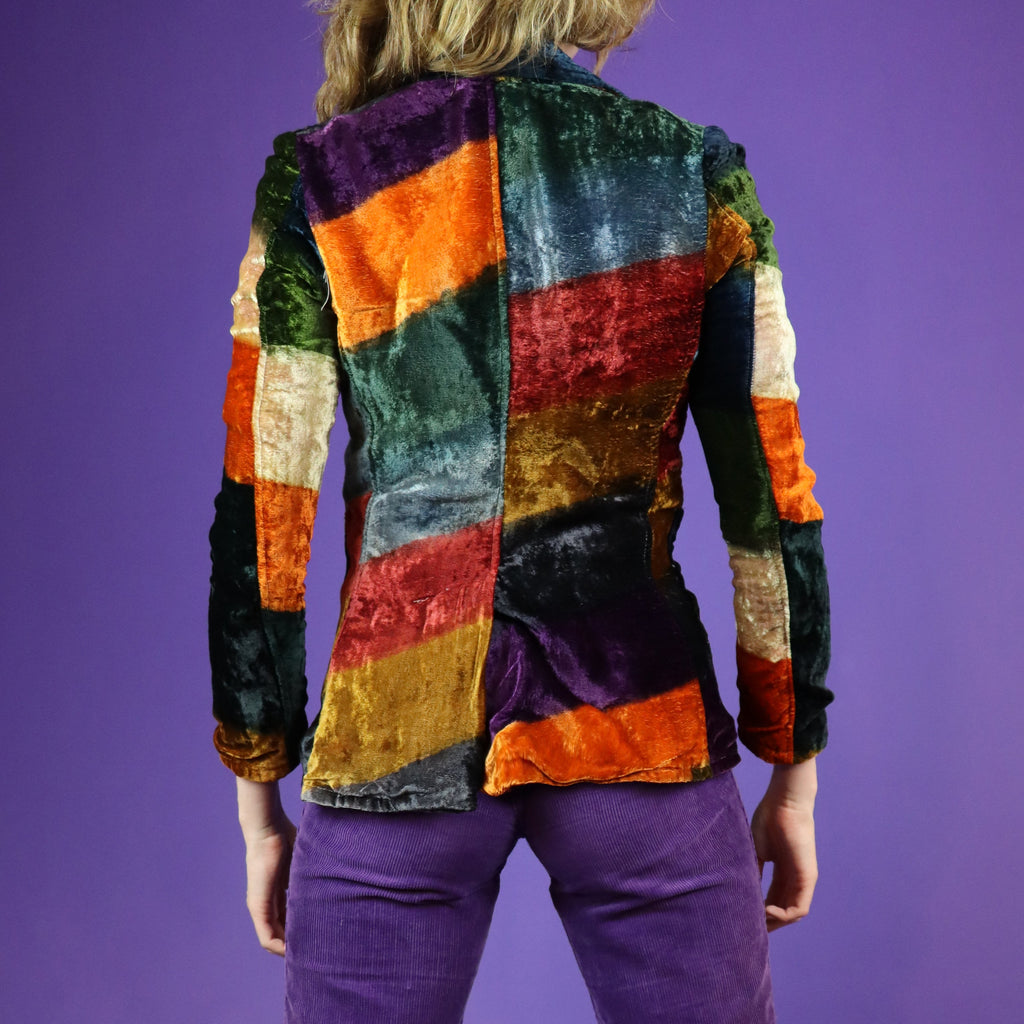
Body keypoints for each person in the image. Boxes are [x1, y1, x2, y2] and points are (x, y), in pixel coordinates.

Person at [208, 2, 833, 1021]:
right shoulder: (688, 169)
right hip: (636, 721)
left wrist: (259, 794)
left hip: (394, 733)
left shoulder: (323, 178)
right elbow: (771, 502)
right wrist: (791, 768)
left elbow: (263, 514)